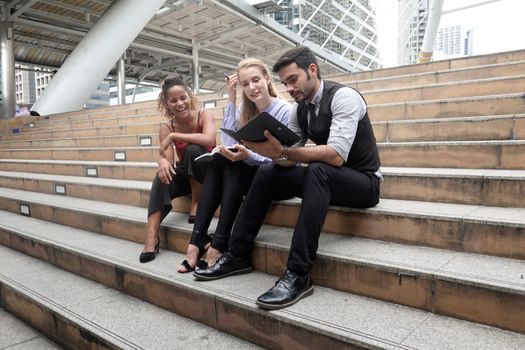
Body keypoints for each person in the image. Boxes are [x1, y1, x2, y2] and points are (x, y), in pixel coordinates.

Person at [194, 46, 382, 310]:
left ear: (312, 70)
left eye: (293, 80)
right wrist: (267, 152)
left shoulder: (344, 97)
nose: (290, 88)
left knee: (318, 169)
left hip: (364, 183)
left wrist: (284, 151)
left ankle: (298, 274)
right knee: (268, 170)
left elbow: (337, 155)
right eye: (285, 83)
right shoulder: (299, 110)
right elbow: (287, 159)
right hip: (330, 179)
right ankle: (237, 255)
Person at [177, 58, 292, 272]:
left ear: (267, 78)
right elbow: (228, 142)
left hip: (272, 178)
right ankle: (197, 241)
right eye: (245, 84)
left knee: (233, 164)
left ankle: (217, 244)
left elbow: (285, 158)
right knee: (223, 159)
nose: (251, 88)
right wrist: (231, 96)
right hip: (245, 173)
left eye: (255, 80)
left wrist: (249, 155)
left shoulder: (285, 111)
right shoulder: (244, 110)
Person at [139, 76, 216, 263]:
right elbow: (169, 160)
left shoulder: (204, 115)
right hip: (187, 174)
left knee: (192, 149)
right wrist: (162, 161)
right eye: (173, 100)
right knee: (161, 177)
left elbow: (210, 141)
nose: (179, 103)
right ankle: (151, 237)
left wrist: (174, 136)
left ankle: (196, 203)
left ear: (189, 96)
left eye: (183, 98)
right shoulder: (166, 127)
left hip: (209, 173)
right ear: (166, 104)